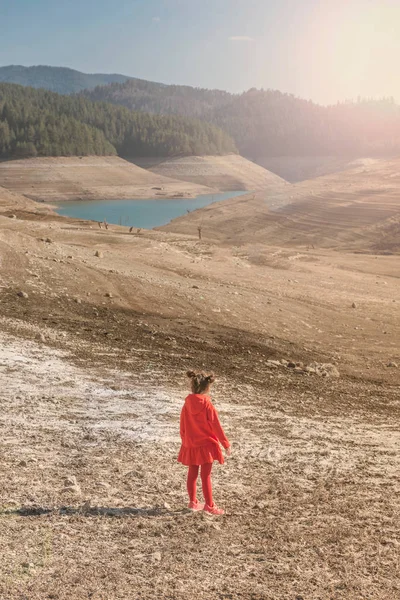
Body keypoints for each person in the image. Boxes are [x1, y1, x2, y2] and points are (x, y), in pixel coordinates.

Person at [178, 370, 231, 515]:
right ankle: (209, 505)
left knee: (192, 473)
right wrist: (225, 443)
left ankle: (192, 502)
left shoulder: (186, 404)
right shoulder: (207, 405)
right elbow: (216, 425)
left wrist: (185, 440)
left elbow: (182, 425)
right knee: (206, 475)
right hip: (206, 445)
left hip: (191, 444)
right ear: (207, 388)